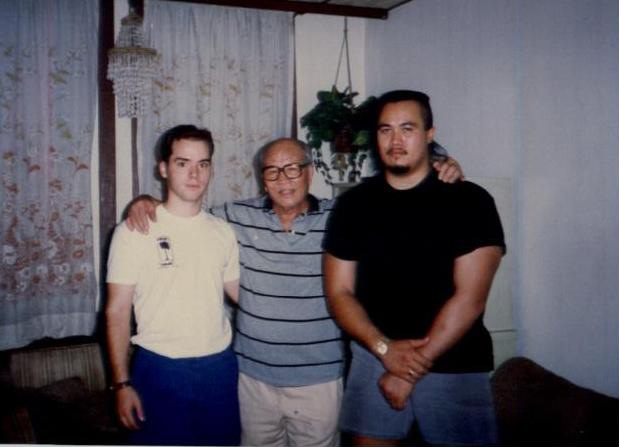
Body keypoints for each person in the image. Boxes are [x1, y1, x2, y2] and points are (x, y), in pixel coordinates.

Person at [126, 137, 463, 446]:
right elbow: (186, 213)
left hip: (319, 379)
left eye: (292, 168)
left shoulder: (342, 215)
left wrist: (436, 168)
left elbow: (397, 200)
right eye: (272, 171)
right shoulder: (236, 217)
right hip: (253, 378)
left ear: (310, 172)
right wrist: (147, 202)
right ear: (262, 179)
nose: (283, 179)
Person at [323, 90, 505, 446]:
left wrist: (407, 370)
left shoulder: (471, 201)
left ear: (429, 134)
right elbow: (338, 292)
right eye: (385, 130)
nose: (395, 140)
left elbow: (470, 299)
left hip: (454, 361)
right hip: (374, 356)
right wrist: (384, 350)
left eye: (407, 128)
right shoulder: (352, 205)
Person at [105, 125, 241, 446]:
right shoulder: (133, 230)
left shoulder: (223, 231)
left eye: (203, 164)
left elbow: (242, 295)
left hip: (218, 367)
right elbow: (117, 312)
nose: (194, 174)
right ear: (164, 169)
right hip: (158, 368)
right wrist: (121, 384)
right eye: (183, 163)